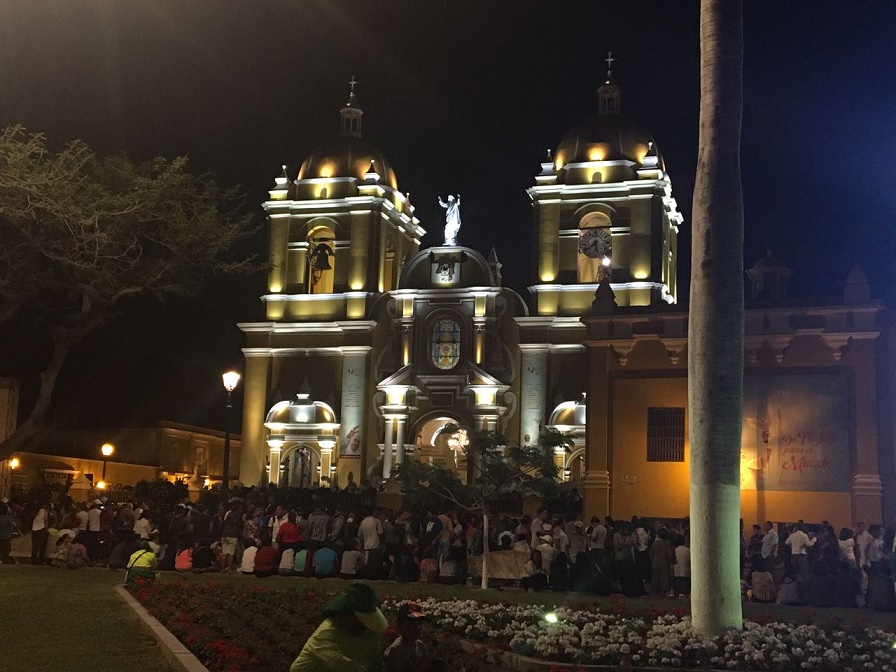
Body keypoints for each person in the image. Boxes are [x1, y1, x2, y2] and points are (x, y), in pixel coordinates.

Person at [290, 583, 388, 672]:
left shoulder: (371, 631)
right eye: (360, 621)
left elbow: (375, 662)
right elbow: (343, 665)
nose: (364, 627)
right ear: (346, 616)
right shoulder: (326, 633)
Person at [384, 602, 438, 672]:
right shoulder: (394, 652)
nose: (417, 627)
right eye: (410, 623)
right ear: (399, 627)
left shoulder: (421, 647)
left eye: (419, 623)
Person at [30, 501, 50, 566]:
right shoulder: (44, 511)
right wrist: (47, 529)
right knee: (42, 547)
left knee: (34, 546)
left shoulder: (34, 512)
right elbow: (45, 520)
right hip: (41, 529)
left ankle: (33, 560)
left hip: (34, 530)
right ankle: (40, 560)